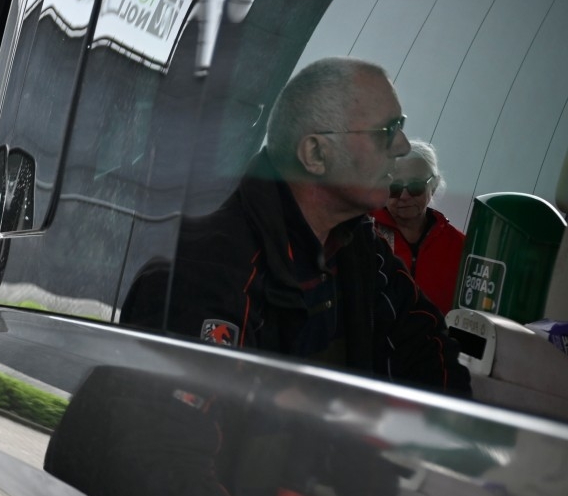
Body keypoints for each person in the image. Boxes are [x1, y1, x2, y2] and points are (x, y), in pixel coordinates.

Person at [142, 56, 468, 394]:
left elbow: (429, 343)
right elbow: (184, 435)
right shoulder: (209, 275)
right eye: (386, 131)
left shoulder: (359, 247)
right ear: (315, 154)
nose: (401, 146)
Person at [373, 139, 466, 313]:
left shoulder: (460, 247)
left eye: (415, 186)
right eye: (395, 187)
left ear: (434, 185)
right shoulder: (363, 234)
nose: (404, 196)